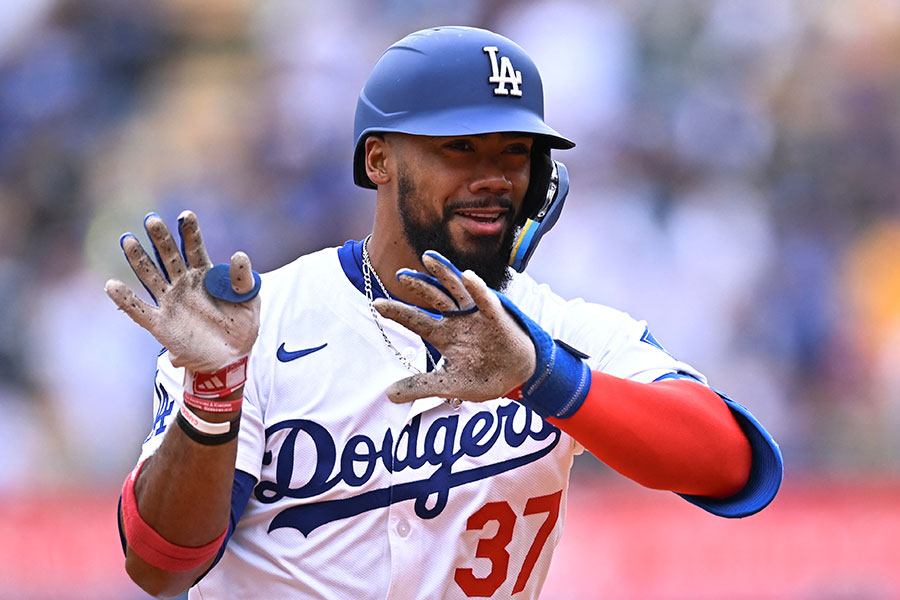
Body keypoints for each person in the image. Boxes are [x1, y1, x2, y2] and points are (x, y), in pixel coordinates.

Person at [106, 26, 783, 600]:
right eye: (460, 147)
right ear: (379, 159)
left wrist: (544, 377)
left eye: (514, 152)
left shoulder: (558, 334)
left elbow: (731, 463)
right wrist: (213, 398)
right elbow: (161, 566)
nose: (493, 177)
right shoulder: (262, 325)